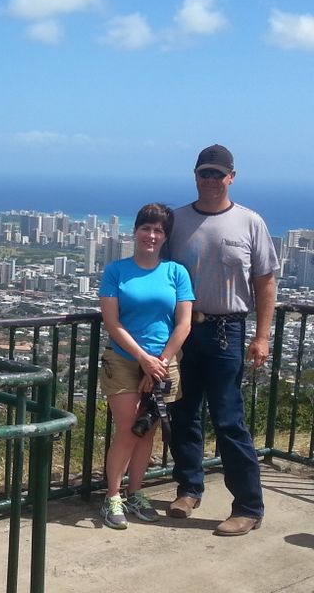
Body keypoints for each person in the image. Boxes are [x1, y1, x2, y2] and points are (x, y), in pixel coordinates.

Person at [168, 144, 279, 536]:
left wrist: (262, 336)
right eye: (204, 173)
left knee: (229, 419)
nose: (211, 180)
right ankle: (188, 488)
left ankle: (248, 506)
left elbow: (266, 282)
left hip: (226, 331)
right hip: (182, 329)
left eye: (218, 174)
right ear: (195, 176)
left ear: (232, 177)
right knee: (182, 412)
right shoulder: (176, 221)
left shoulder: (249, 222)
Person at [98, 203, 194, 529]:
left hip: (164, 364)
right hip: (125, 360)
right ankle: (113, 496)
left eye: (158, 231)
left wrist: (161, 362)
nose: (151, 235)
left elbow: (183, 324)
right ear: (135, 231)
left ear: (165, 237)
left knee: (147, 431)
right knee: (128, 430)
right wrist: (143, 358)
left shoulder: (176, 273)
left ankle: (136, 493)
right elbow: (112, 323)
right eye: (146, 228)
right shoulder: (116, 271)